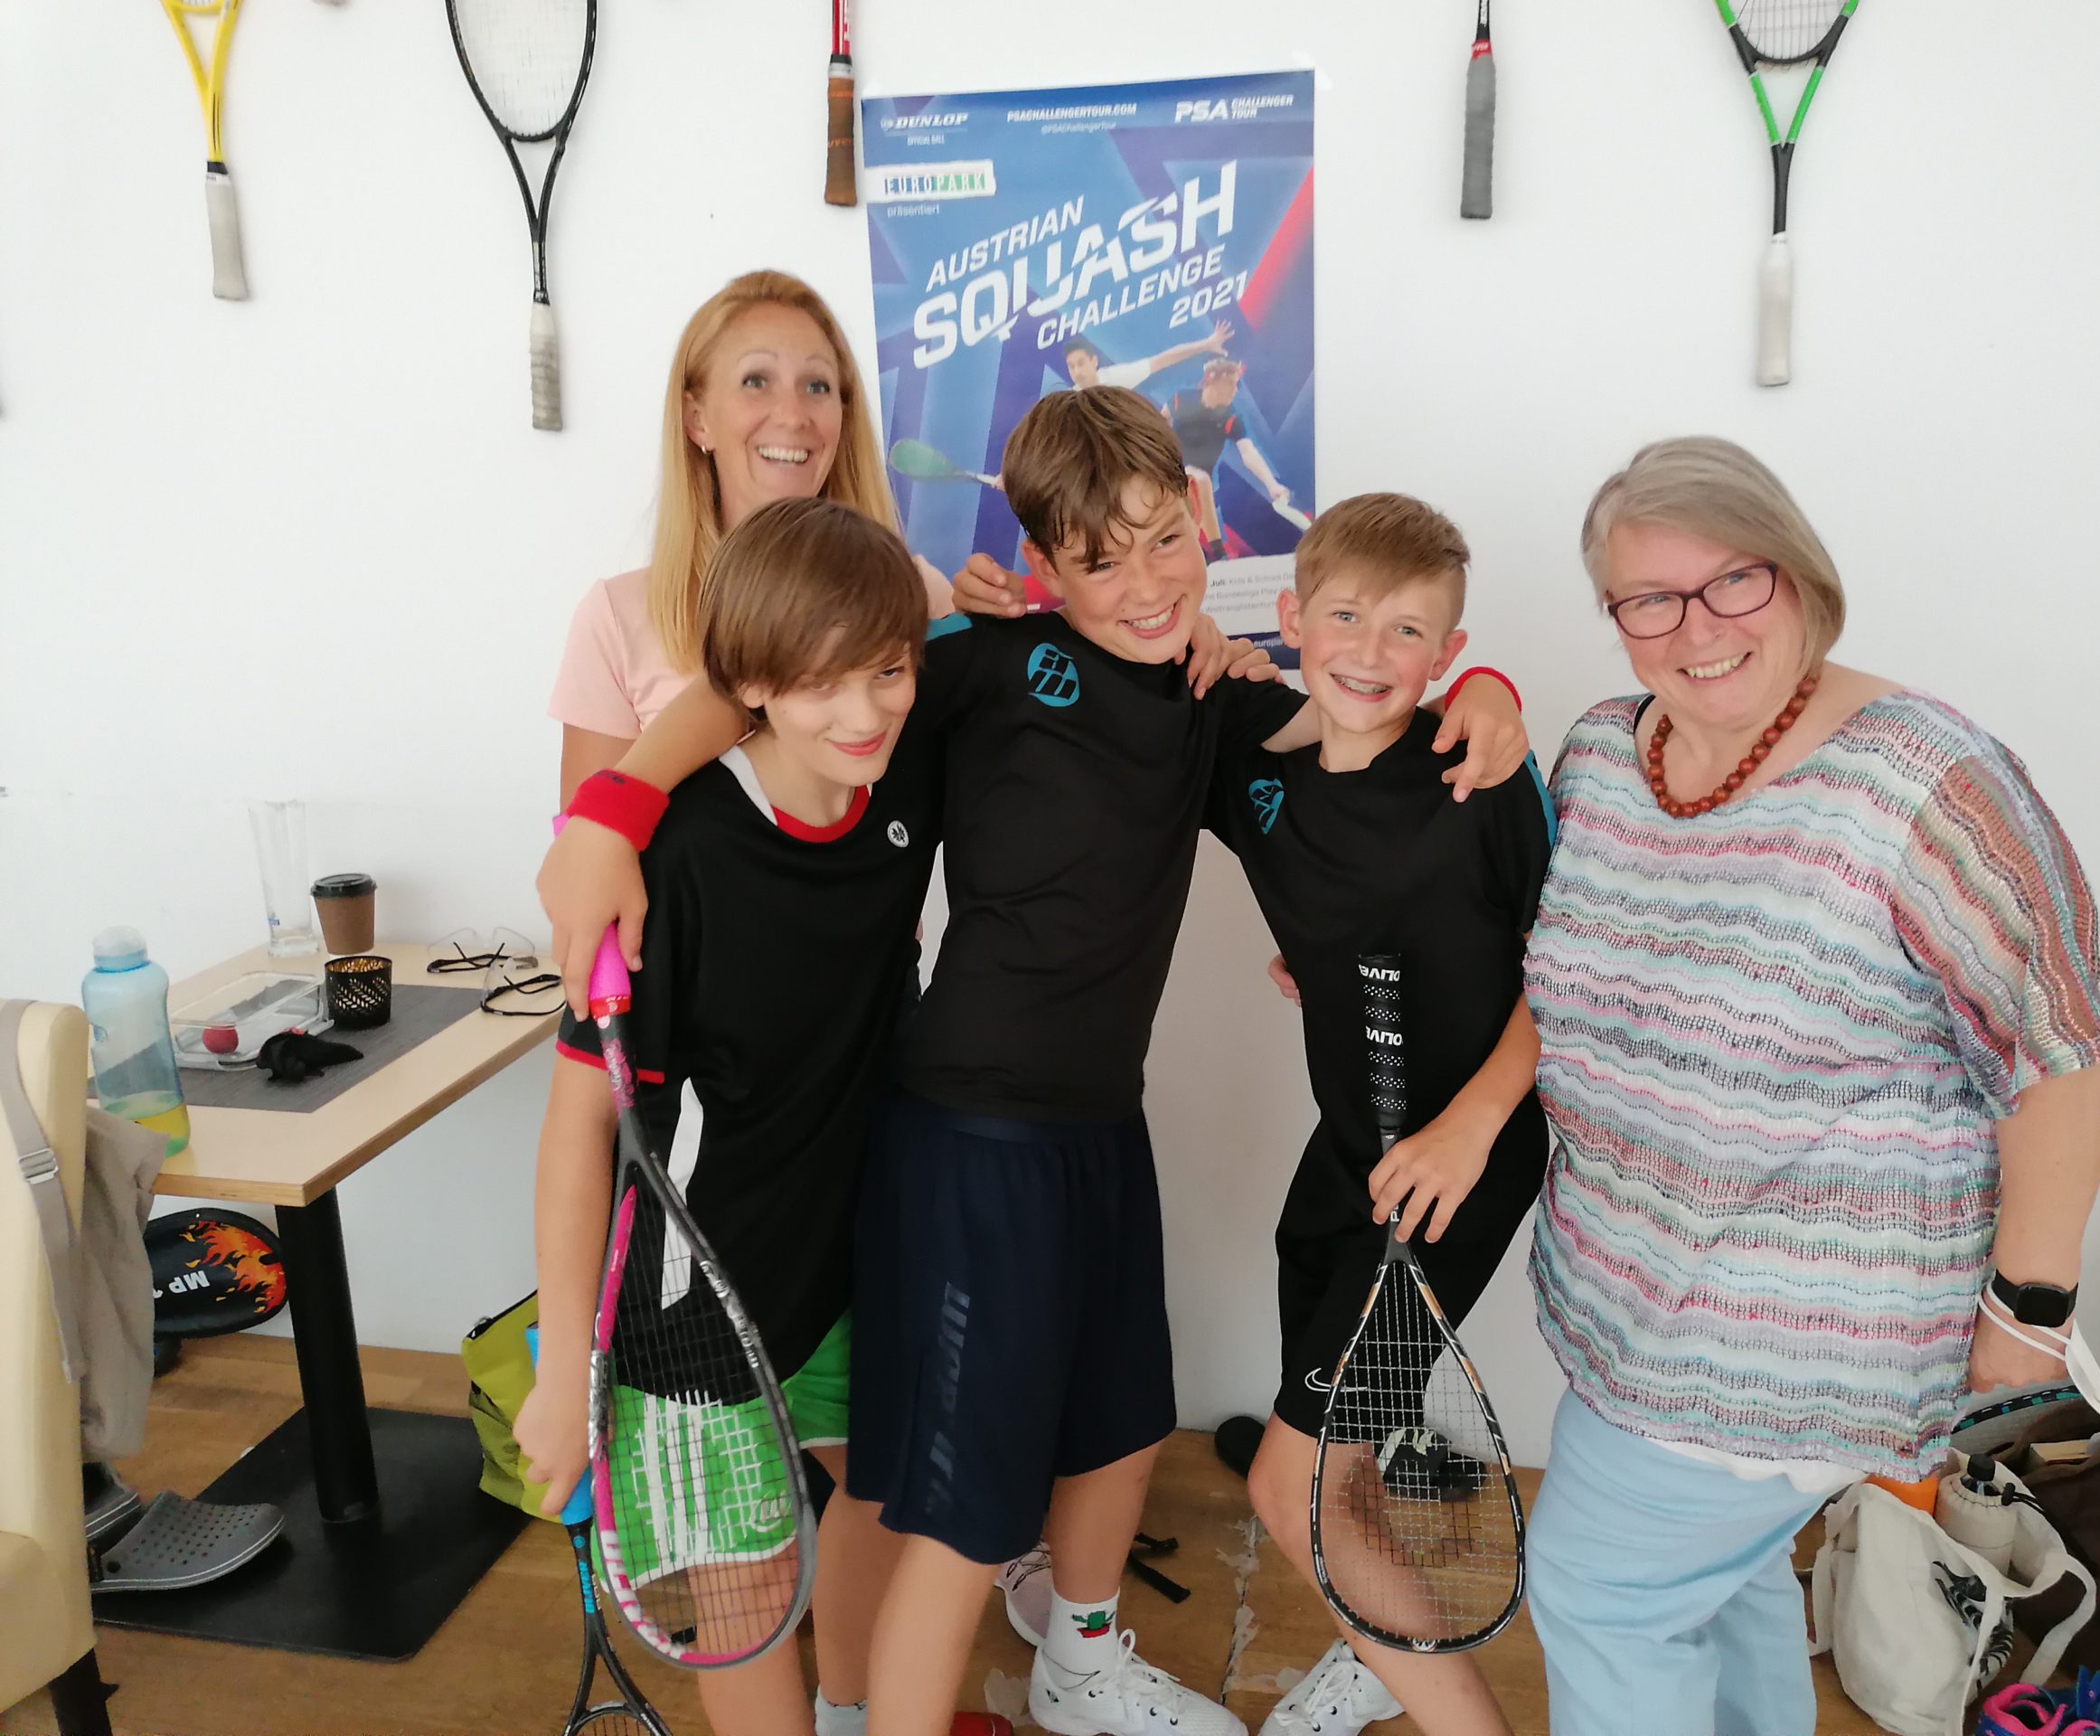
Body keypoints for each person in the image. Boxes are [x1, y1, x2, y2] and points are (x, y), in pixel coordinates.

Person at [535, 391, 1530, 1736]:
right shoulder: (981, 665)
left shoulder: (1213, 699)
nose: (1147, 584)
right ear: (1044, 565)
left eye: (1165, 542)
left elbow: (1363, 764)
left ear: (1202, 519)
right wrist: (612, 805)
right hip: (968, 1139)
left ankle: (1081, 1665)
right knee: (962, 1515)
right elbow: (765, 669)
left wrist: (1484, 691)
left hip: (1100, 1128)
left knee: (1123, 1427)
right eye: (1100, 561)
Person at [1520, 437, 2100, 1736]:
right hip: (1624, 1297)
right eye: (1650, 598)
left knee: (1605, 1595)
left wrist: (2028, 1311)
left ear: (1798, 575)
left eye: (1732, 581)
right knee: (1723, 1586)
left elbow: (2060, 1047)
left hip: (1794, 1342)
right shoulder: (1604, 753)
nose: (1697, 630)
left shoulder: (1928, 780)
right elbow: (1535, 952)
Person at [516, 498, 944, 1736]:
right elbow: (577, 1130)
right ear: (749, 684)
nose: (863, 712)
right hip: (693, 1305)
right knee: (748, 1598)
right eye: (820, 684)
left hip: (851, 1262)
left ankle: (852, 1711)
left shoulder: (903, 770)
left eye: (887, 671)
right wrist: (565, 1371)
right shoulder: (679, 862)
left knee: (884, 1502)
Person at [1209, 495, 1550, 1736]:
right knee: (1335, 1464)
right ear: (1291, 617)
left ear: (1447, 655)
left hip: (1455, 1174)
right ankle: (1383, 1649)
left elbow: (1572, 968)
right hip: (1345, 1157)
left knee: (1286, 1482)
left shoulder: (1479, 775)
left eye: (1408, 631)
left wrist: (1472, 1126)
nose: (1368, 651)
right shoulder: (1254, 767)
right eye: (1344, 617)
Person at [550, 269, 954, 809]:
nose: (793, 415)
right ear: (697, 420)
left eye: (818, 386)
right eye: (756, 381)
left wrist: (1004, 617)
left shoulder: (921, 593)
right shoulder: (616, 619)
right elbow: (583, 845)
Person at [1163, 356, 1291, 557]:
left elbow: (1248, 452)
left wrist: (1272, 486)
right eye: (1231, 384)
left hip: (1194, 483)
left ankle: (1213, 553)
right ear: (1212, 381)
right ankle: (1217, 550)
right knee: (1199, 481)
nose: (1235, 390)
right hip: (1168, 472)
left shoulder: (1231, 416)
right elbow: (1159, 422)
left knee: (1199, 484)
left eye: (1236, 384)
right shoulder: (1181, 399)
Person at [1060, 321, 1234, 392]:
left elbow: (1163, 359)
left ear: (1094, 361)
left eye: (1081, 363)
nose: (1077, 371)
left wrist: (1206, 344)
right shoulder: (1069, 401)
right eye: (1071, 366)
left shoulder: (1116, 377)